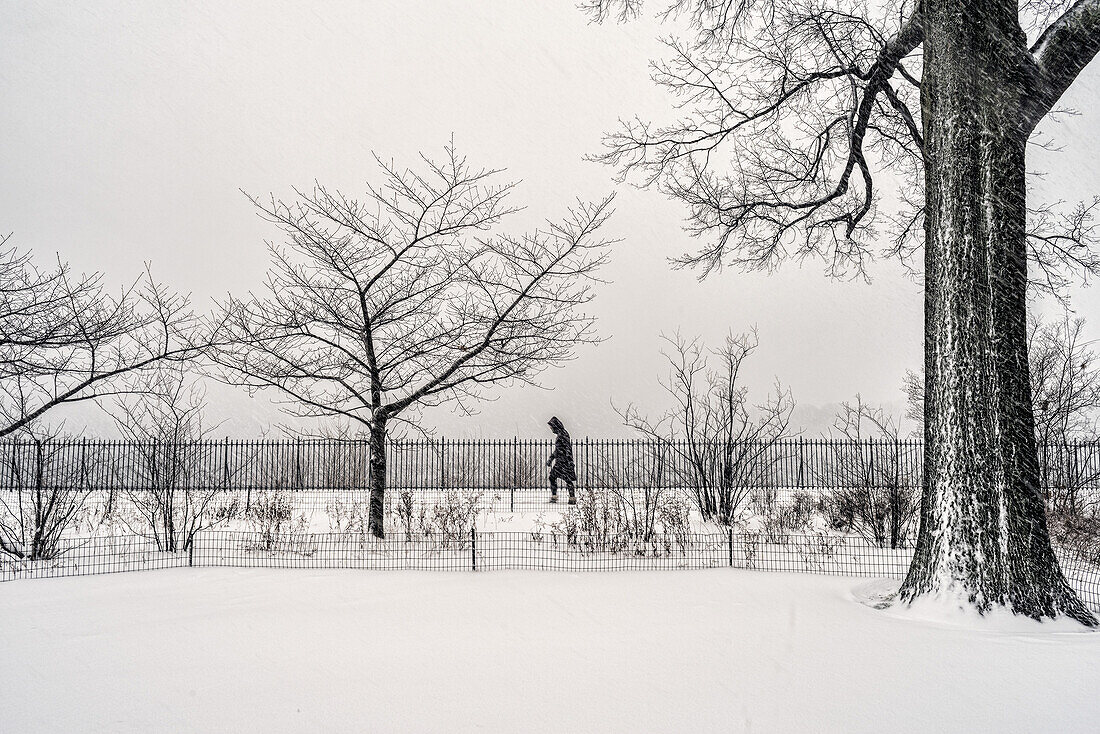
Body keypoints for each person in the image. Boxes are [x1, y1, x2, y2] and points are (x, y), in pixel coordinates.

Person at [546, 416, 577, 504]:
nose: (551, 429)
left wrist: (569, 461)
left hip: (563, 462)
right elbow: (559, 449)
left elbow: (566, 449)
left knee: (561, 479)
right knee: (559, 478)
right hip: (562, 461)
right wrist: (551, 459)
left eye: (551, 427)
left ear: (555, 426)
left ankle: (558, 497)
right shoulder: (562, 434)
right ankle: (570, 498)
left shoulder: (562, 435)